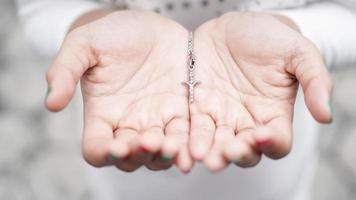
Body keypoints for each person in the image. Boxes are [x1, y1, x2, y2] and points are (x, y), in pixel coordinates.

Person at [16, 0, 356, 200]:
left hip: (266, 132)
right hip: (127, 125)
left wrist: (291, 32)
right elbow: (42, 7)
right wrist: (87, 28)